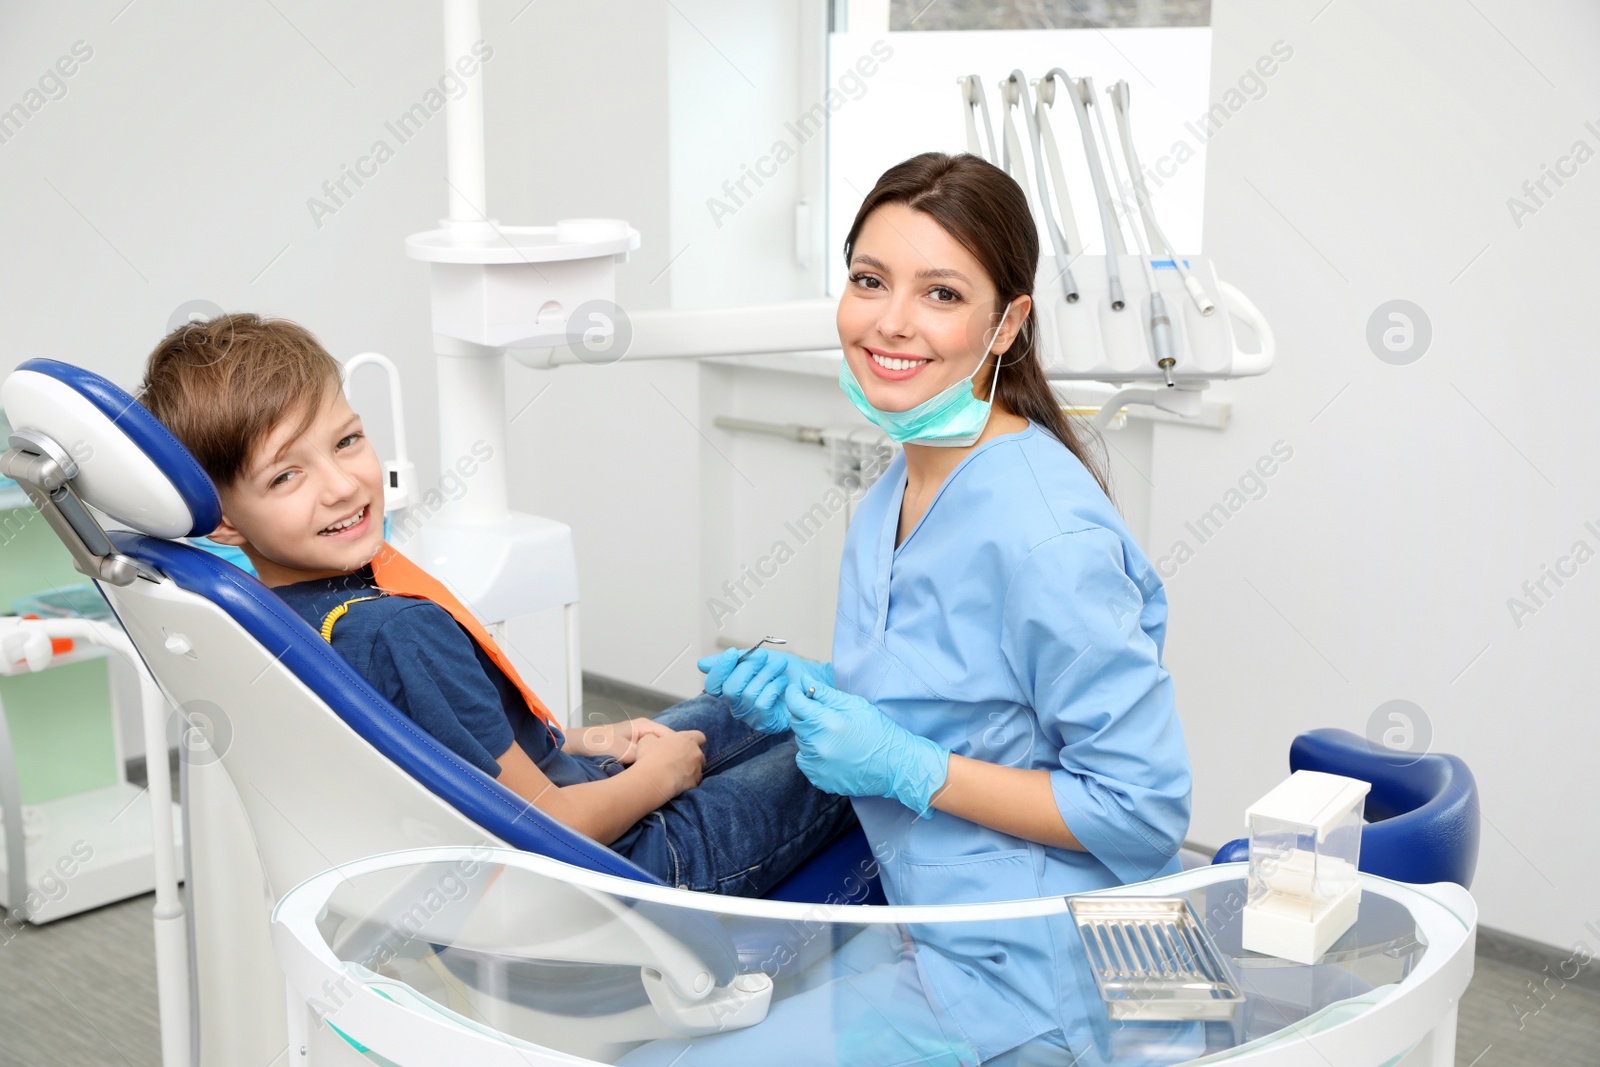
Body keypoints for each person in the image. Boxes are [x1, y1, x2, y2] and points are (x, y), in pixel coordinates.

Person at [682, 152, 1195, 1064]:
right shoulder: (903, 482)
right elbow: (968, 696)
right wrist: (816, 689)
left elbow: (1141, 808)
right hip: (947, 931)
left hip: (1061, 978)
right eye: (870, 280)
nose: (891, 321)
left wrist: (906, 764)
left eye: (942, 294)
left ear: (1008, 324)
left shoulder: (1046, 533)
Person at [136, 313, 854, 896]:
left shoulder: (286, 616)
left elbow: (462, 749)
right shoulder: (398, 632)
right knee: (849, 747)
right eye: (287, 474)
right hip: (633, 870)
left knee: (771, 700)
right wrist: (656, 777)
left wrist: (598, 741)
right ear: (223, 518)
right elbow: (545, 825)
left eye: (348, 440)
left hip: (575, 803)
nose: (343, 485)